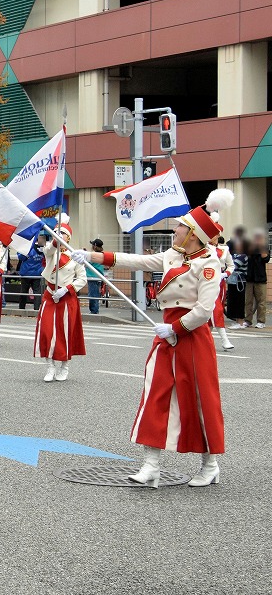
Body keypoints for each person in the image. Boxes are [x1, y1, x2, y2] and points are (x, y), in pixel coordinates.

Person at [72, 189, 233, 488]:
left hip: (191, 338)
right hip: (167, 336)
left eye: (181, 227)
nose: (175, 229)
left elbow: (203, 310)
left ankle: (210, 464)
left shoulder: (209, 264)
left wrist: (175, 329)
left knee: (199, 401)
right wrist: (93, 256)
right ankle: (151, 465)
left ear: (194, 234)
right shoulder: (172, 255)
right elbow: (138, 261)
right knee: (154, 396)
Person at [34, 215, 86, 382]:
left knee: (65, 333)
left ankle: (64, 365)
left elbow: (82, 279)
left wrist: (66, 290)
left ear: (69, 237)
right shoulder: (51, 250)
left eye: (62, 233)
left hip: (66, 298)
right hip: (50, 295)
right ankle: (50, 366)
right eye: (57, 233)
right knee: (47, 330)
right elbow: (49, 249)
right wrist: (55, 239)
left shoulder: (75, 256)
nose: (59, 235)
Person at [211, 236, 234, 350]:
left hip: (219, 283)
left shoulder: (224, 249)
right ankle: (224, 340)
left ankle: (209, 340)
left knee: (218, 309)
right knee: (212, 310)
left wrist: (225, 274)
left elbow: (231, 265)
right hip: (206, 280)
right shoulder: (203, 249)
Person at [244, 229, 269, 328]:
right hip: (250, 278)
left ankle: (261, 321)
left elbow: (265, 258)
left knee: (261, 301)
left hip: (261, 278)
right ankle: (248, 320)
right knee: (248, 301)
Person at [17, 233, 45, 310]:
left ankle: (21, 308)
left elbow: (21, 257)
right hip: (37, 273)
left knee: (23, 291)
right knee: (37, 292)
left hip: (26, 273)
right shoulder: (43, 249)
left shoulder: (28, 248)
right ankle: (36, 308)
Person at [85, 239, 107, 314]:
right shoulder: (102, 254)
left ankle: (94, 311)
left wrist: (84, 253)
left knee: (92, 294)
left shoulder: (93, 255)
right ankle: (95, 309)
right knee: (96, 294)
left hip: (92, 276)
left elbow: (86, 262)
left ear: (94, 246)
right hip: (99, 276)